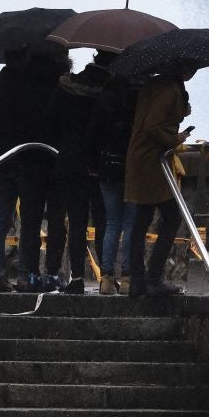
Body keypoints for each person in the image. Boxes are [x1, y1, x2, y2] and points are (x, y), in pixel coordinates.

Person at [0, 39, 68, 293]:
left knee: (25, 221)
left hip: (17, 160)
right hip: (52, 160)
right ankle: (51, 273)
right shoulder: (61, 86)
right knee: (57, 220)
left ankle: (23, 274)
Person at [123, 65, 195, 298]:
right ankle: (152, 278)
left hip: (142, 160)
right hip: (151, 163)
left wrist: (182, 113)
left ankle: (138, 280)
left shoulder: (157, 85)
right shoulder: (169, 90)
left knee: (141, 221)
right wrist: (177, 139)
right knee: (172, 216)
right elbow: (153, 125)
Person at [45, 58, 109, 294]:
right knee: (104, 222)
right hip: (98, 164)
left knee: (76, 222)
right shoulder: (107, 93)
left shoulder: (66, 89)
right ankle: (107, 277)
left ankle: (78, 277)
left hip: (69, 161)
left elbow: (49, 121)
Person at [87, 55, 139, 294]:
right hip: (131, 167)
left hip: (107, 167)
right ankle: (128, 277)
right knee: (130, 223)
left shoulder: (104, 98)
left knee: (111, 222)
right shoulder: (137, 98)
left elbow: (94, 135)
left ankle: (107, 278)